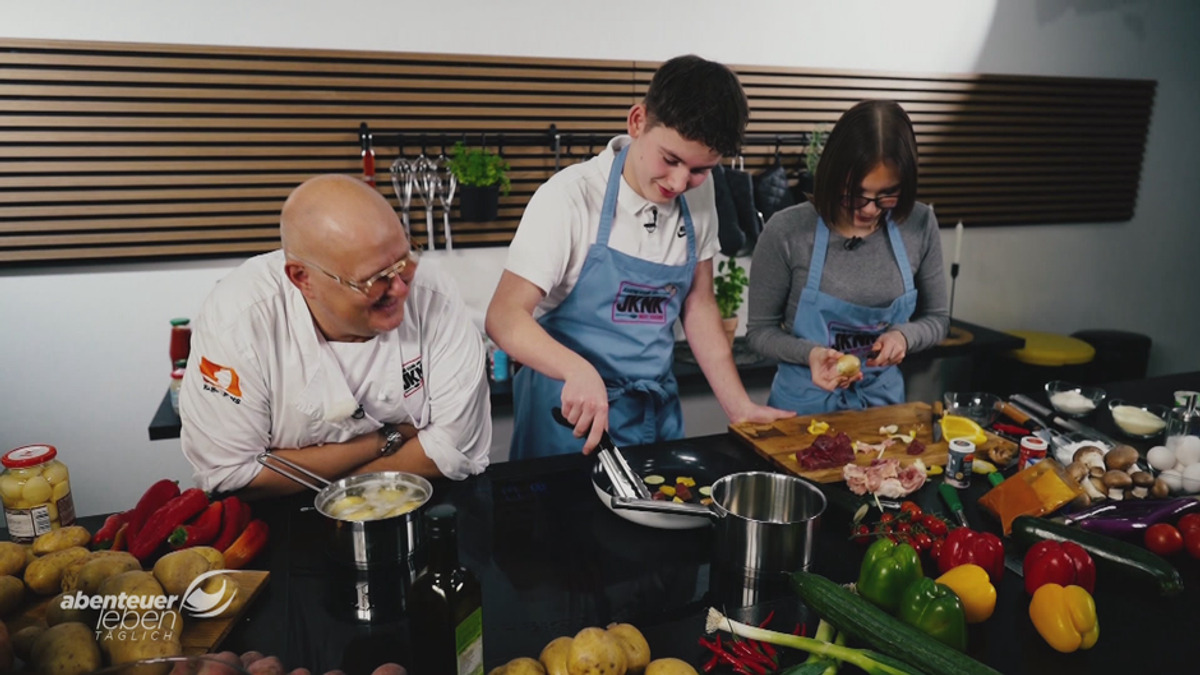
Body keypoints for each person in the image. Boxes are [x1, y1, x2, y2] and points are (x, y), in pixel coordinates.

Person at [486, 54, 793, 458]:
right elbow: (504, 317)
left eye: (701, 169)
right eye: (671, 159)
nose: (681, 182)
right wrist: (577, 369)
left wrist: (738, 407)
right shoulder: (569, 198)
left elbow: (698, 305)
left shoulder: (698, 197)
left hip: (654, 413)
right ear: (637, 121)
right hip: (569, 417)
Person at [180, 175, 491, 497]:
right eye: (375, 279)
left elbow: (455, 451)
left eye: (404, 261)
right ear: (303, 279)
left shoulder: (433, 294)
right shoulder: (239, 318)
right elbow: (232, 473)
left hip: (416, 502)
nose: (400, 288)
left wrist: (310, 474)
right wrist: (387, 439)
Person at [746, 100, 949, 415]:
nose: (869, 209)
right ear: (832, 174)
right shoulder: (787, 230)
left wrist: (904, 336)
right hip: (802, 411)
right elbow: (760, 333)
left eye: (887, 195)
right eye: (854, 193)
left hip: (883, 412)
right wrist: (811, 354)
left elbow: (937, 319)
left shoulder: (919, 224)